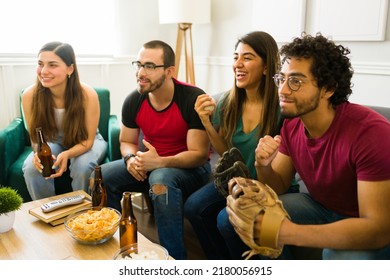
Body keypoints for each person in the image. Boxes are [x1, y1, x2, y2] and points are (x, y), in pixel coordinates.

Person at [223, 33, 390, 259]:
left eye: (295, 81)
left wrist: (289, 232)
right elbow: (279, 184)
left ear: (328, 88)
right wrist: (263, 165)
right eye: (281, 79)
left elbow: (378, 230)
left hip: (365, 222)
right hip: (321, 207)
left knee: (334, 256)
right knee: (234, 219)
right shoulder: (292, 126)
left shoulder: (370, 133)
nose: (282, 90)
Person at [98, 40, 211, 260]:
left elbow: (198, 154)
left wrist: (159, 162)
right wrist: (130, 158)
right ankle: (115, 249)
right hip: (150, 164)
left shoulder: (191, 98)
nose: (140, 72)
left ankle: (173, 261)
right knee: (102, 175)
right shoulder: (134, 100)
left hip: (190, 169)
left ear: (169, 71)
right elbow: (126, 141)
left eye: (149, 66)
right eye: (138, 64)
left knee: (160, 181)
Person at [184, 31, 286, 259]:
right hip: (236, 181)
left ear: (267, 67)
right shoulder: (228, 102)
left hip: (266, 188)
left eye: (247, 58)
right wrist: (205, 122)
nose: (237, 64)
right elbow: (225, 152)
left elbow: (282, 171)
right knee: (193, 207)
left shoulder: (281, 110)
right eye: (235, 57)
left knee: (225, 220)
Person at [22, 41, 107, 200]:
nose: (44, 71)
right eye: (40, 64)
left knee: (82, 167)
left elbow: (88, 141)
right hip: (52, 141)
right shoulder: (29, 96)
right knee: (32, 169)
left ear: (70, 69)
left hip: (87, 141)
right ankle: (47, 212)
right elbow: (35, 138)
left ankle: (80, 216)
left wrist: (67, 154)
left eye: (52, 65)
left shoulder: (88, 95)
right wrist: (37, 153)